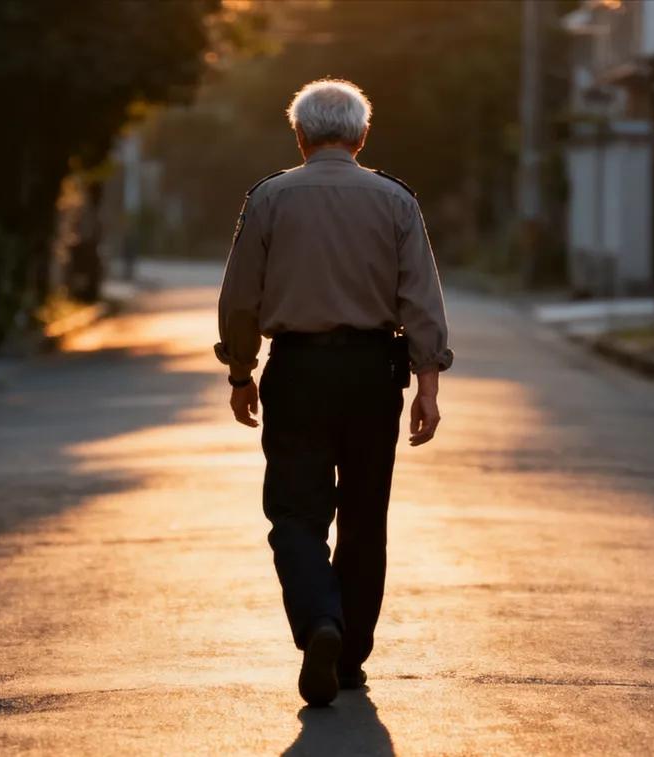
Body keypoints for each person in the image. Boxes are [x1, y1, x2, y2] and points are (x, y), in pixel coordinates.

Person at [215, 78, 453, 707]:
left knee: (295, 513)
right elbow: (421, 297)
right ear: (361, 135)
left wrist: (242, 370)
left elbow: (240, 296)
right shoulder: (395, 200)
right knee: (365, 514)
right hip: (375, 373)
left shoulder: (268, 198)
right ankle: (348, 659)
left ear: (299, 136)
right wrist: (428, 384)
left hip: (296, 371)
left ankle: (320, 619)